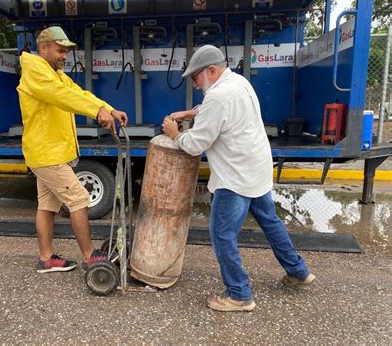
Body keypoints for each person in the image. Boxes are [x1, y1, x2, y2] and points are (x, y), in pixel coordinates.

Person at [162, 45, 315, 312]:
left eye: (196, 78)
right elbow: (215, 109)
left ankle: (239, 294)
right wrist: (188, 113)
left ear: (211, 70)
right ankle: (299, 271)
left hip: (235, 178)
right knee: (270, 222)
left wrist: (175, 133)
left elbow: (196, 144)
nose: (196, 85)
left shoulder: (218, 96)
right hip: (256, 170)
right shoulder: (238, 82)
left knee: (222, 235)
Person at [17, 26, 128, 273]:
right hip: (48, 153)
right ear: (43, 47)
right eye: (60, 50)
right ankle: (90, 256)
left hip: (49, 152)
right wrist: (96, 111)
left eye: (66, 52)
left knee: (47, 205)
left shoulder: (53, 73)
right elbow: (61, 96)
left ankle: (46, 259)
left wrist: (107, 109)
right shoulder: (36, 71)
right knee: (78, 199)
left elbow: (77, 93)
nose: (64, 56)